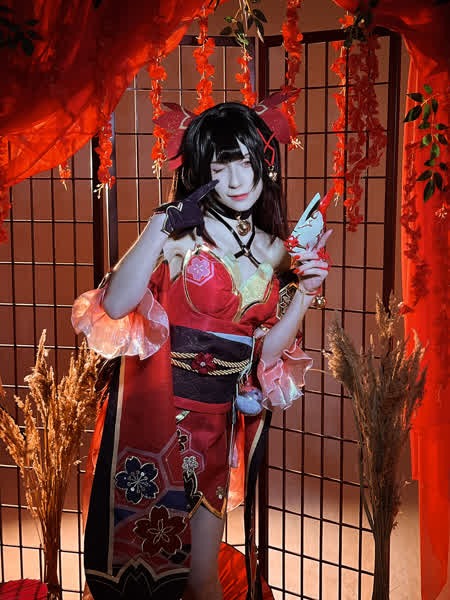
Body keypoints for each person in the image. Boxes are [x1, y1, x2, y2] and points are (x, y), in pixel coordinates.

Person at [72, 100, 331, 600]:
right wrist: (163, 222)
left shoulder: (277, 250)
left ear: (264, 164)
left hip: (217, 423)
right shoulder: (179, 236)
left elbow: (266, 357)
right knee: (143, 576)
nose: (236, 180)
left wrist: (305, 293)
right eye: (219, 166)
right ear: (199, 172)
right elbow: (117, 303)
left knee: (202, 577)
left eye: (245, 162)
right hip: (158, 416)